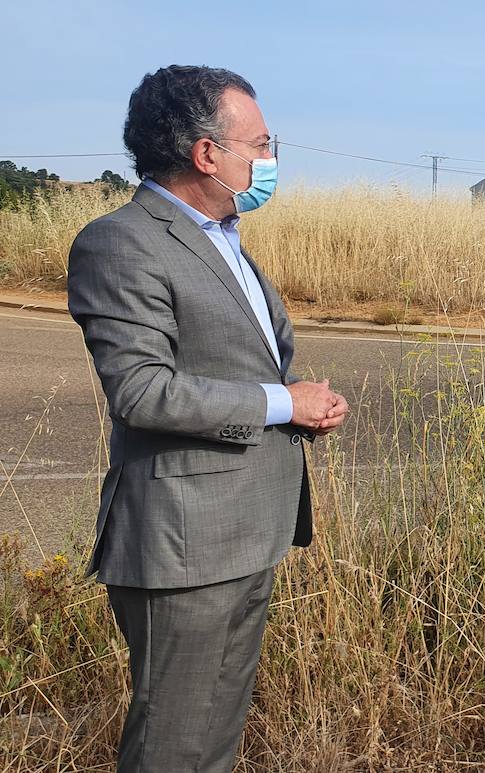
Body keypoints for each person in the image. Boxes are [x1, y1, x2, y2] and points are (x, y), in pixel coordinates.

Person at [66, 65, 348, 772]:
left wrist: (295, 404)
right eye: (259, 142)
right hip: (183, 543)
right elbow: (141, 389)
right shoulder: (122, 241)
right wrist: (285, 402)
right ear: (205, 153)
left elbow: (236, 364)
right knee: (172, 745)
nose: (269, 158)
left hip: (248, 532)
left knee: (214, 742)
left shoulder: (227, 238)